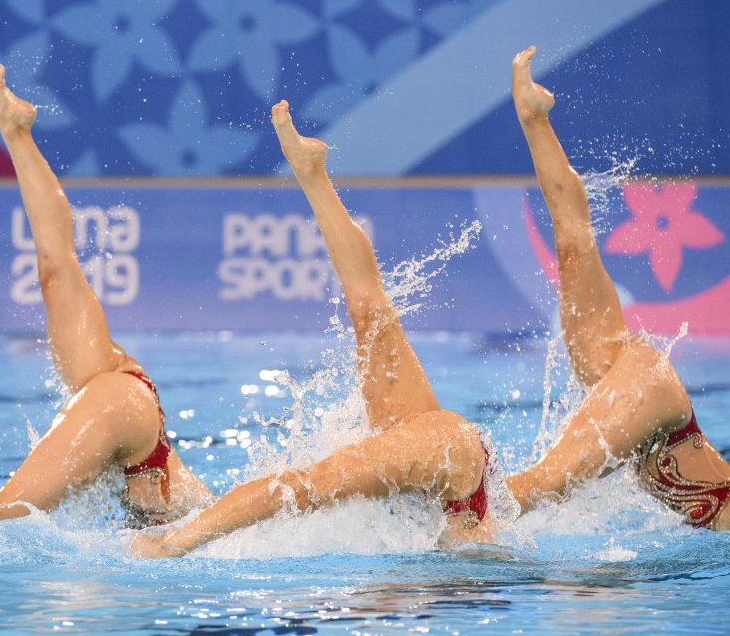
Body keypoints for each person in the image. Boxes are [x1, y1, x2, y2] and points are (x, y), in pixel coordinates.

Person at [132, 99, 496, 557]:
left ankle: (173, 545)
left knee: (311, 482)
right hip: (448, 460)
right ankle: (311, 173)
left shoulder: (465, 552)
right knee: (367, 309)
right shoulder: (461, 540)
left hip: (451, 468)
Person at [505, 47, 730, 531]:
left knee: (573, 245)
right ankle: (444, 513)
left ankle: (534, 119)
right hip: (650, 391)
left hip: (646, 394)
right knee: (539, 486)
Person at [0, 66, 214, 525]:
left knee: (4, 509)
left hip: (127, 406)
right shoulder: (191, 507)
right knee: (55, 271)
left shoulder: (190, 505)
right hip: (128, 407)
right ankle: (16, 135)